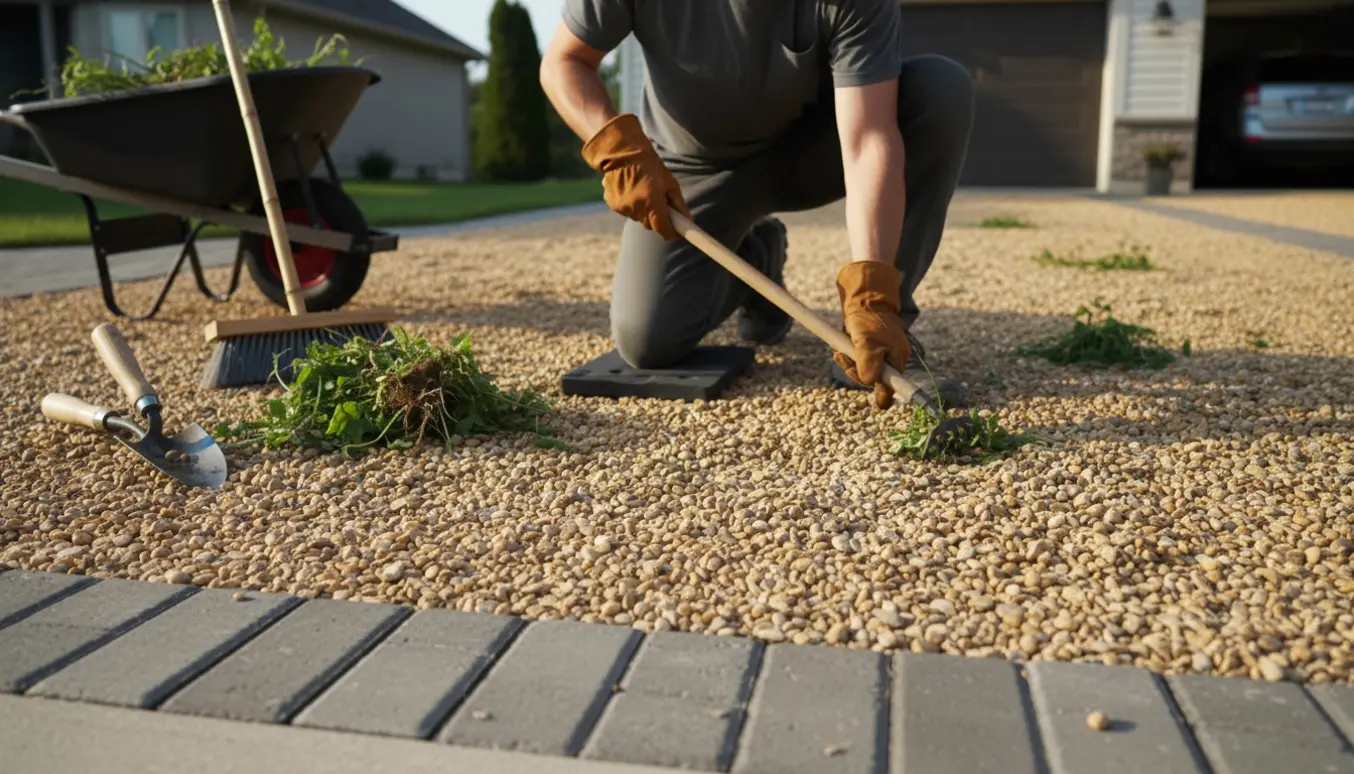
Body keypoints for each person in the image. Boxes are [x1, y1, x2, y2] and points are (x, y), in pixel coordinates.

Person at [539, 0, 975, 411]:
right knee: (646, 341)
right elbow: (565, 62)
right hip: (693, 171)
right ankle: (757, 258)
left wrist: (872, 295)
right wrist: (618, 150)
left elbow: (868, 140)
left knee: (939, 91)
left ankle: (881, 330)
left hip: (809, 152)